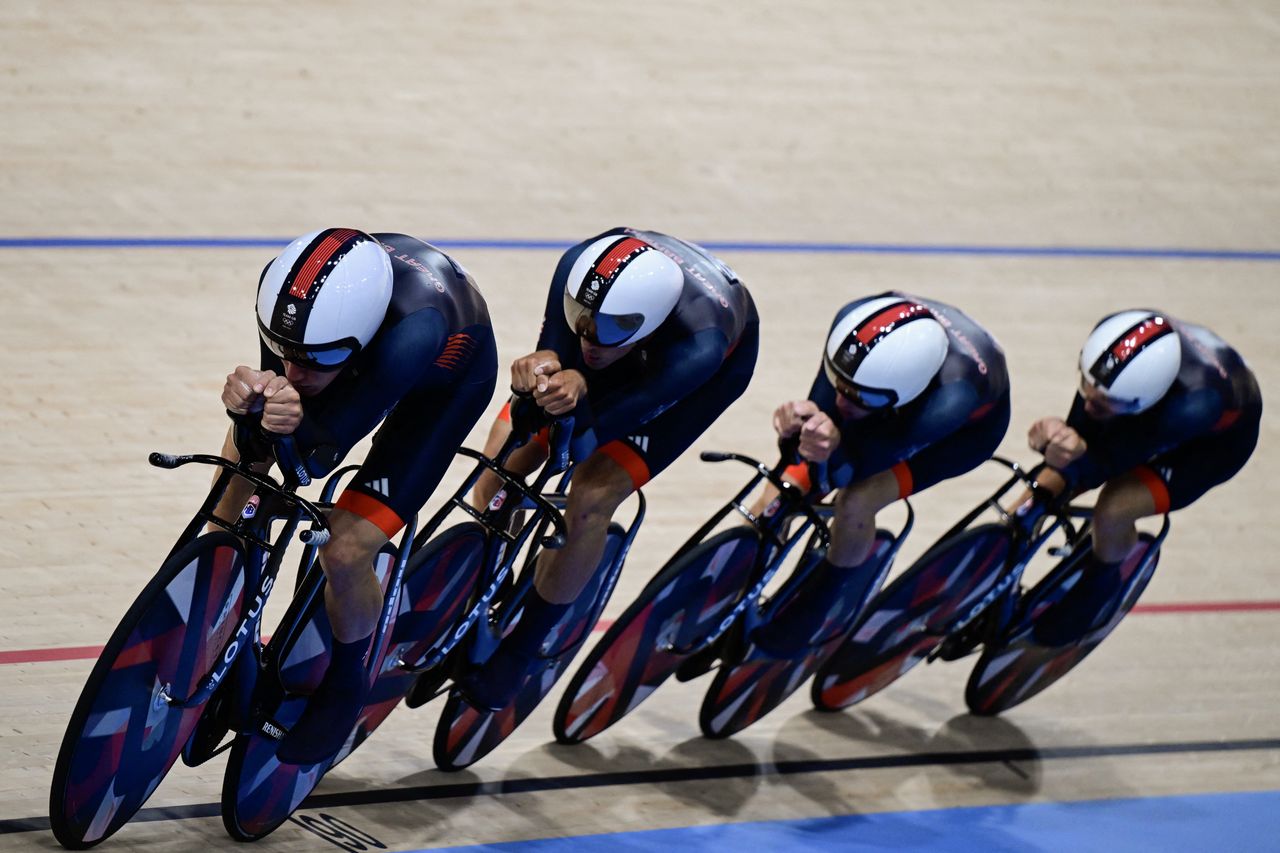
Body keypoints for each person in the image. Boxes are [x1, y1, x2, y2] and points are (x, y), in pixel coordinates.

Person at [217, 228, 497, 763]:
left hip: (442, 385)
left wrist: (283, 417)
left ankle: (348, 683)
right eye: (284, 352)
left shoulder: (411, 333)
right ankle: (217, 615)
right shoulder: (288, 298)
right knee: (237, 479)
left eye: (313, 360)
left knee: (345, 549)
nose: (294, 371)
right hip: (356, 351)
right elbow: (269, 419)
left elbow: (316, 459)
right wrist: (251, 404)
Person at [460, 226, 759, 710]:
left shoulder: (698, 346)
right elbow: (557, 358)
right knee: (498, 469)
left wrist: (580, 390)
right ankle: (490, 580)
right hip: (633, 328)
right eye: (581, 319)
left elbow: (595, 430)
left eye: (613, 328)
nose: (592, 340)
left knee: (592, 493)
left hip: (688, 375)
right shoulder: (576, 267)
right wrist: (545, 375)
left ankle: (525, 646)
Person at [750, 293, 1011, 655]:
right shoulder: (852, 321)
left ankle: (824, 601)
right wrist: (805, 421)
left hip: (958, 436)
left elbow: (850, 470)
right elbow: (826, 416)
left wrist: (831, 446)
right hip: (893, 381)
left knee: (857, 499)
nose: (842, 403)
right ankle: (739, 579)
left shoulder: (952, 400)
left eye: (862, 398)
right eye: (840, 384)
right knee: (788, 484)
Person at [1026, 309, 1261, 644]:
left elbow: (1105, 463)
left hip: (1212, 447)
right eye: (1086, 386)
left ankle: (1101, 586)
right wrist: (1060, 442)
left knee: (1113, 507)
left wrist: (1069, 454)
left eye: (1104, 404)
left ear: (1141, 402)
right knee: (1047, 483)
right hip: (1153, 392)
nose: (1090, 405)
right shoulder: (1111, 337)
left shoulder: (1193, 407)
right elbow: (1088, 420)